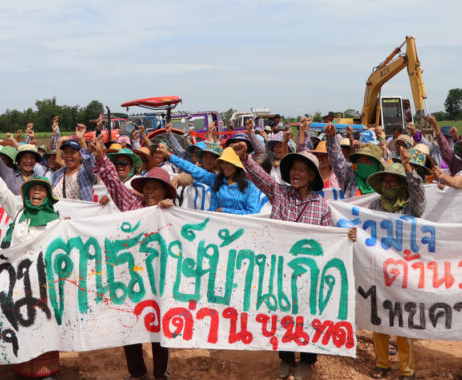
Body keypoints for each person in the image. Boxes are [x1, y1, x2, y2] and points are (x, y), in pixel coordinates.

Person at [231, 142, 332, 380]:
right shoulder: (280, 193)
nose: (295, 173)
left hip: (307, 274)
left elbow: (330, 242)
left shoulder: (322, 207)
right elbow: (261, 178)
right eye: (293, 169)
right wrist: (245, 157)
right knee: (281, 313)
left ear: (311, 177)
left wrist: (346, 237)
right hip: (279, 271)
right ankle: (286, 358)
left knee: (307, 315)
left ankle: (307, 359)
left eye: (301, 170)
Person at [89, 134, 174, 380]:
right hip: (130, 276)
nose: (148, 191)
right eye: (146, 187)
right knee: (128, 323)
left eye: (154, 188)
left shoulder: (172, 212)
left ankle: (161, 375)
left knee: (159, 329)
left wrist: (172, 210)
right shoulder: (132, 204)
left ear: (164, 192)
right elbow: (114, 183)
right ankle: (137, 372)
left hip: (159, 280)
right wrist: (100, 156)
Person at [0, 144, 61, 379]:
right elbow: (2, 190)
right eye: (33, 189)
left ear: (47, 195)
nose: (36, 192)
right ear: (26, 194)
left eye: (41, 190)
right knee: (20, 327)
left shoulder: (56, 221)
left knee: (43, 329)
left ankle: (46, 374)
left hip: (43, 288)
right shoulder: (19, 212)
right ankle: (22, 370)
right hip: (17, 285)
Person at [362, 147, 425, 380]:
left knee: (403, 320)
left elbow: (418, 192)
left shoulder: (411, 207)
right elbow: (362, 229)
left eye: (393, 182)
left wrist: (408, 167)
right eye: (385, 182)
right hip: (377, 270)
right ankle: (382, 363)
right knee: (378, 319)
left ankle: (407, 369)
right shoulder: (374, 207)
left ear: (402, 185)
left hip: (403, 271)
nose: (388, 185)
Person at [159, 144, 261, 214]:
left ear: (237, 166)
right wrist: (169, 155)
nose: (224, 165)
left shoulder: (250, 187)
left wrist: (224, 211)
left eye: (228, 163)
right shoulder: (215, 180)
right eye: (222, 162)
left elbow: (253, 213)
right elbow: (192, 169)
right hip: (215, 229)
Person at [0, 122, 44, 194]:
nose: (28, 161)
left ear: (35, 161)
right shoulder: (8, 173)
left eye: (32, 158)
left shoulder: (40, 180)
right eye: (25, 157)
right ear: (19, 160)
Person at [325, 123, 385, 198]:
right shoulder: (351, 178)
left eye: (367, 161)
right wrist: (331, 138)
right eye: (360, 161)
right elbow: (338, 162)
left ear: (377, 164)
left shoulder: (386, 183)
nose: (363, 164)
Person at [52, 124, 95, 201]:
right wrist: (59, 142)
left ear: (80, 156)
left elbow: (89, 161)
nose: (68, 155)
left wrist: (81, 139)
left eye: (72, 152)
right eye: (66, 152)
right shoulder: (57, 174)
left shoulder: (85, 172)